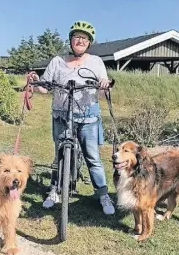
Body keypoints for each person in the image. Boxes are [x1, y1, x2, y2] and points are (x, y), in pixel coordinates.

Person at [28, 20, 115, 215]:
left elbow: (102, 92)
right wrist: (35, 82)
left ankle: (103, 195)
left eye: (84, 39)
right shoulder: (57, 62)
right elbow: (44, 88)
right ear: (71, 40)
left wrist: (103, 85)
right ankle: (55, 190)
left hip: (88, 117)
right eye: (77, 37)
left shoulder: (96, 62)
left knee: (93, 157)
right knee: (59, 154)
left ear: (89, 43)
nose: (80, 41)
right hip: (61, 115)